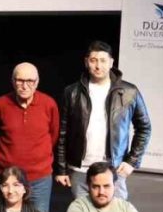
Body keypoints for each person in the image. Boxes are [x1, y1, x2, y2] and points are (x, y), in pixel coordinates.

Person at [54, 40, 151, 201]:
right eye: (93, 60)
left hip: (114, 169)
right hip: (80, 170)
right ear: (86, 62)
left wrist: (132, 161)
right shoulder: (71, 92)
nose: (98, 66)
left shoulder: (129, 92)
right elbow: (63, 133)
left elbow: (144, 128)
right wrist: (61, 169)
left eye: (103, 60)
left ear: (111, 62)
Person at [0, 62, 59, 212]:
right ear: (13, 81)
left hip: (40, 178)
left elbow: (54, 135)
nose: (24, 86)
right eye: (20, 80)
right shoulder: (1, 104)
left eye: (30, 81)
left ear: (37, 82)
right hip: (8, 177)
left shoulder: (49, 104)